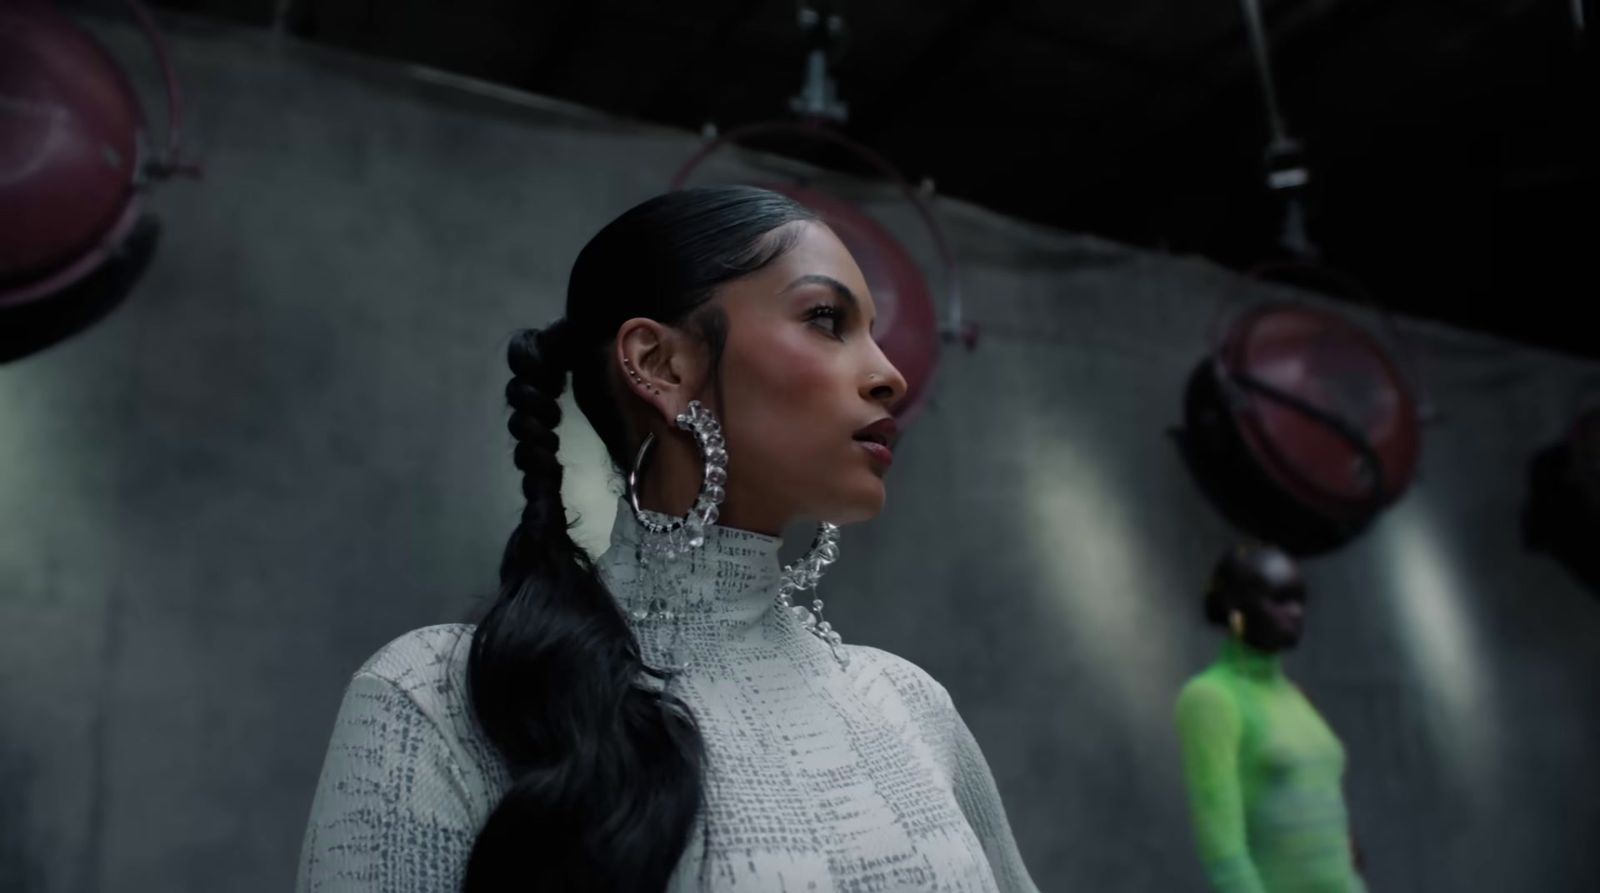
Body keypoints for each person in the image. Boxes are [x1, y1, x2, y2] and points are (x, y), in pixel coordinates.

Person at [295, 186, 1038, 892]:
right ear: (659, 364)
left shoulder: (910, 704)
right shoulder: (439, 696)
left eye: (873, 332)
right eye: (825, 318)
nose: (889, 375)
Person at [1173, 543, 1366, 893]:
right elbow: (1223, 851)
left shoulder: (1296, 697)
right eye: (1279, 599)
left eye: (1300, 600)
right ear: (1236, 608)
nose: (1295, 613)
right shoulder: (1212, 698)